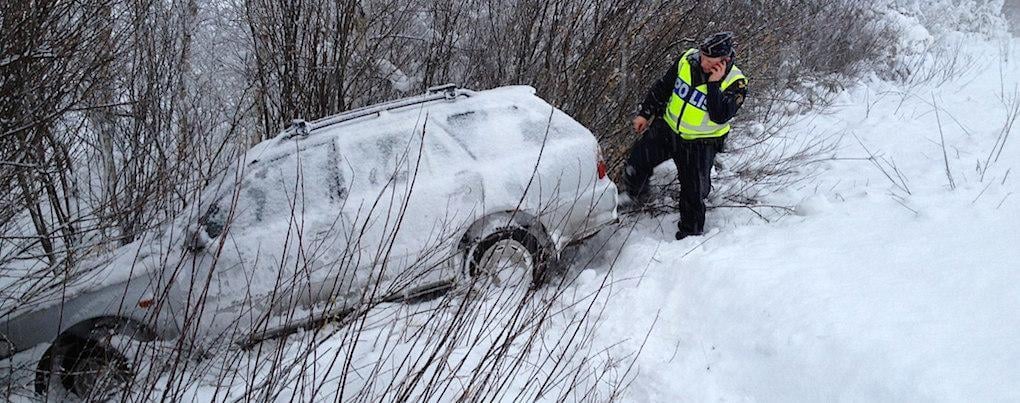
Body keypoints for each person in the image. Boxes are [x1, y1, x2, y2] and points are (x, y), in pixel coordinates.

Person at [620, 31, 748, 240]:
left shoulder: (736, 82)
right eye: (702, 57)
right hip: (668, 129)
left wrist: (713, 84)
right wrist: (645, 113)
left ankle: (690, 235)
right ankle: (636, 196)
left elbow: (719, 116)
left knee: (693, 193)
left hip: (700, 144)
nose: (703, 63)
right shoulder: (687, 60)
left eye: (710, 61)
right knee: (636, 162)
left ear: (724, 61)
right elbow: (663, 86)